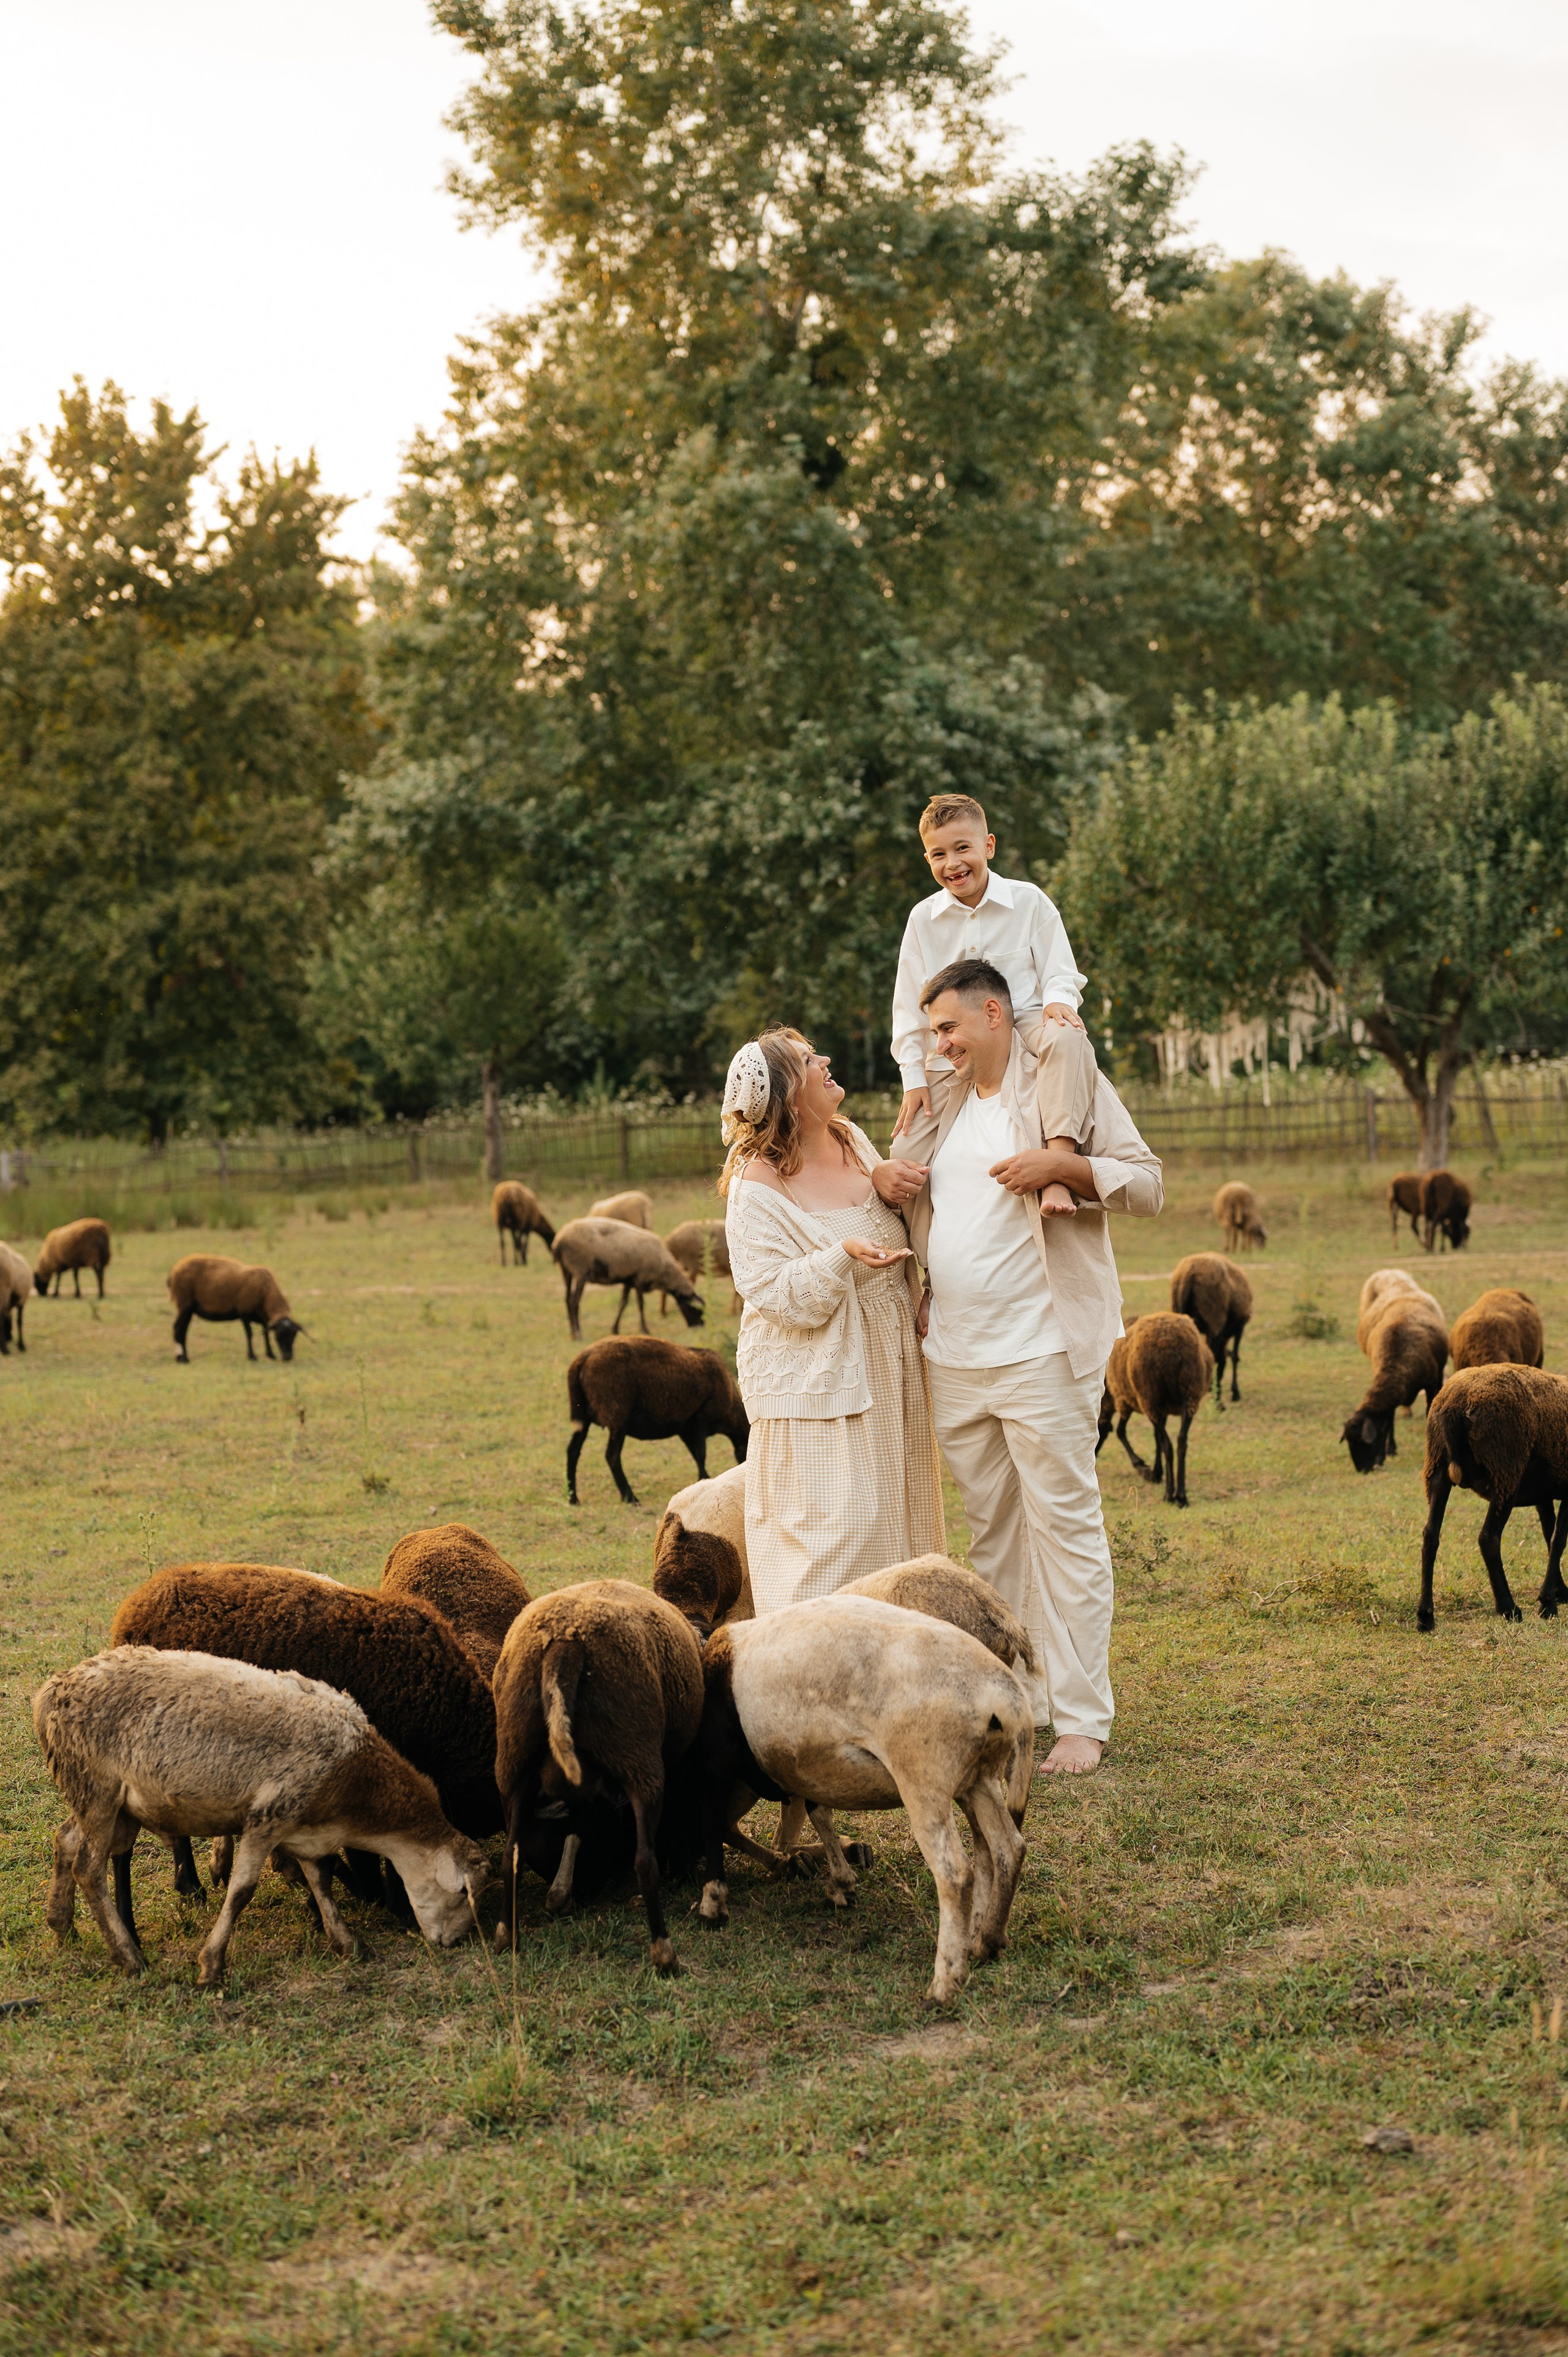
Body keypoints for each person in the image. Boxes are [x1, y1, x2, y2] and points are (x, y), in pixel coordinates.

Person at [893, 957, 1163, 1775]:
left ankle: (1083, 1718)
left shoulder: (1057, 1093)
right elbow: (906, 1196)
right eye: (931, 1031)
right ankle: (1022, 1699)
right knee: (994, 1537)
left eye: (948, 1028)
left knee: (1065, 1528)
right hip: (956, 1357)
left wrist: (1065, 1168)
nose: (937, 1045)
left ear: (994, 1016)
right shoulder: (939, 1105)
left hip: (1042, 1350)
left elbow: (1147, 1183)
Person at [720, 1029, 942, 1613]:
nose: (824, 1061)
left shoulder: (852, 1140)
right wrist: (839, 1256)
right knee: (834, 1537)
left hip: (888, 1365)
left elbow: (890, 1228)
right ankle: (815, 1668)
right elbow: (769, 1290)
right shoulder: (755, 1184)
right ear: (787, 1096)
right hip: (820, 1386)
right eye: (807, 1061)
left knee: (896, 1522)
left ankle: (898, 1668)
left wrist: (885, 1185)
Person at [891, 792, 1098, 1219]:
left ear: (989, 846)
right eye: (938, 854)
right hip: (951, 1043)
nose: (952, 863)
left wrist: (1058, 1002)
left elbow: (1061, 971)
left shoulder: (1029, 902)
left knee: (1069, 1037)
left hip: (1021, 1024)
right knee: (904, 1152)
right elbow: (908, 1007)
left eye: (963, 848)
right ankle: (919, 1258)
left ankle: (1058, 1165)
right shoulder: (922, 920)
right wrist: (913, 1076)